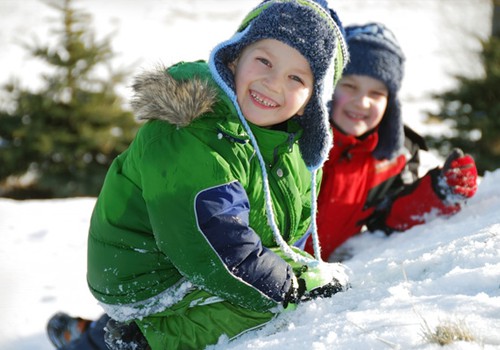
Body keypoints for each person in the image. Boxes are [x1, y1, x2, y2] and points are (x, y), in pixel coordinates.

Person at [47, 1, 351, 349]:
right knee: (273, 307)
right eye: (264, 61)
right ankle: (144, 338)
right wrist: (291, 287)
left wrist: (300, 272)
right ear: (235, 57)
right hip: (146, 278)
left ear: (313, 98)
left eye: (296, 77)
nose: (273, 82)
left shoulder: (291, 149)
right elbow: (213, 243)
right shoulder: (193, 131)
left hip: (192, 260)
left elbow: (277, 238)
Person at [302, 22, 478, 261]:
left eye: (377, 94)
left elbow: (391, 216)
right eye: (350, 86)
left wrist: (440, 190)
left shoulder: (395, 156)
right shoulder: (296, 137)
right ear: (328, 86)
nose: (362, 102)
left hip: (320, 283)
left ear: (391, 102)